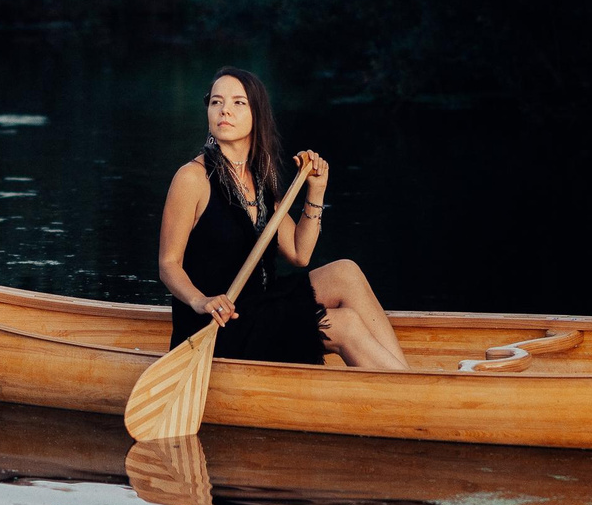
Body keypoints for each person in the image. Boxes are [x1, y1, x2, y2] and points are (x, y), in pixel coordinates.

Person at [156, 66, 410, 371]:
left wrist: (316, 189)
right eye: (216, 102)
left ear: (257, 114)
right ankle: (407, 386)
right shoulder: (192, 178)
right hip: (218, 325)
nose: (225, 110)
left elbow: (300, 254)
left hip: (260, 306)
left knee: (346, 272)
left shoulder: (259, 179)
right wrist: (200, 300)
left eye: (238, 102)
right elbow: (168, 264)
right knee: (344, 324)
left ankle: (406, 377)